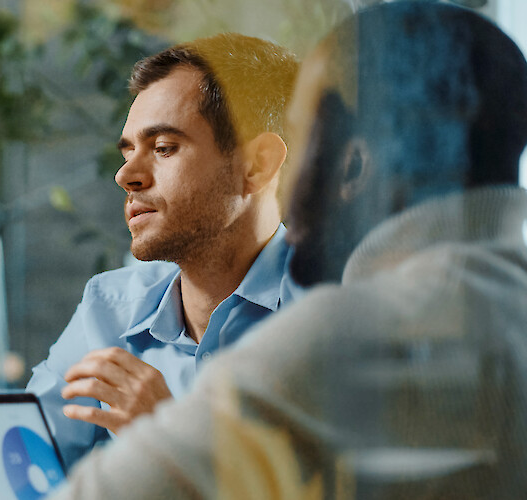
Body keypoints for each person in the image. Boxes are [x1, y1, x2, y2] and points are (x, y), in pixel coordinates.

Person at [44, 2, 527, 497]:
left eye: (304, 138)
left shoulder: (343, 336)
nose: (125, 175)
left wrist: (169, 436)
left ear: (353, 162)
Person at [28, 33, 302, 466]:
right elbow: (23, 456)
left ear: (257, 164)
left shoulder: (341, 320)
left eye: (163, 148)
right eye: (128, 152)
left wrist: (172, 441)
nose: (126, 176)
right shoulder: (110, 310)